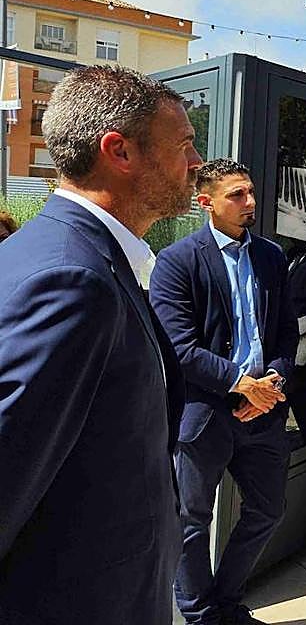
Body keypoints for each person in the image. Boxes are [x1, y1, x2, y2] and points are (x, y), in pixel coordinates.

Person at [0, 64, 197, 624]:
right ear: (120, 152)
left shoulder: (74, 254)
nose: (196, 162)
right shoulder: (72, 280)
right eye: (184, 144)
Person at [150, 158, 300, 625]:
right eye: (237, 195)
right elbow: (178, 347)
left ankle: (228, 601)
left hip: (263, 411)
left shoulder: (271, 256)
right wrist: (241, 384)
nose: (250, 201)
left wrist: (273, 381)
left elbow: (287, 333)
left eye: (250, 191)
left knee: (269, 510)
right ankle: (200, 614)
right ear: (206, 202)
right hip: (205, 413)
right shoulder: (178, 261)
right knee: (192, 520)